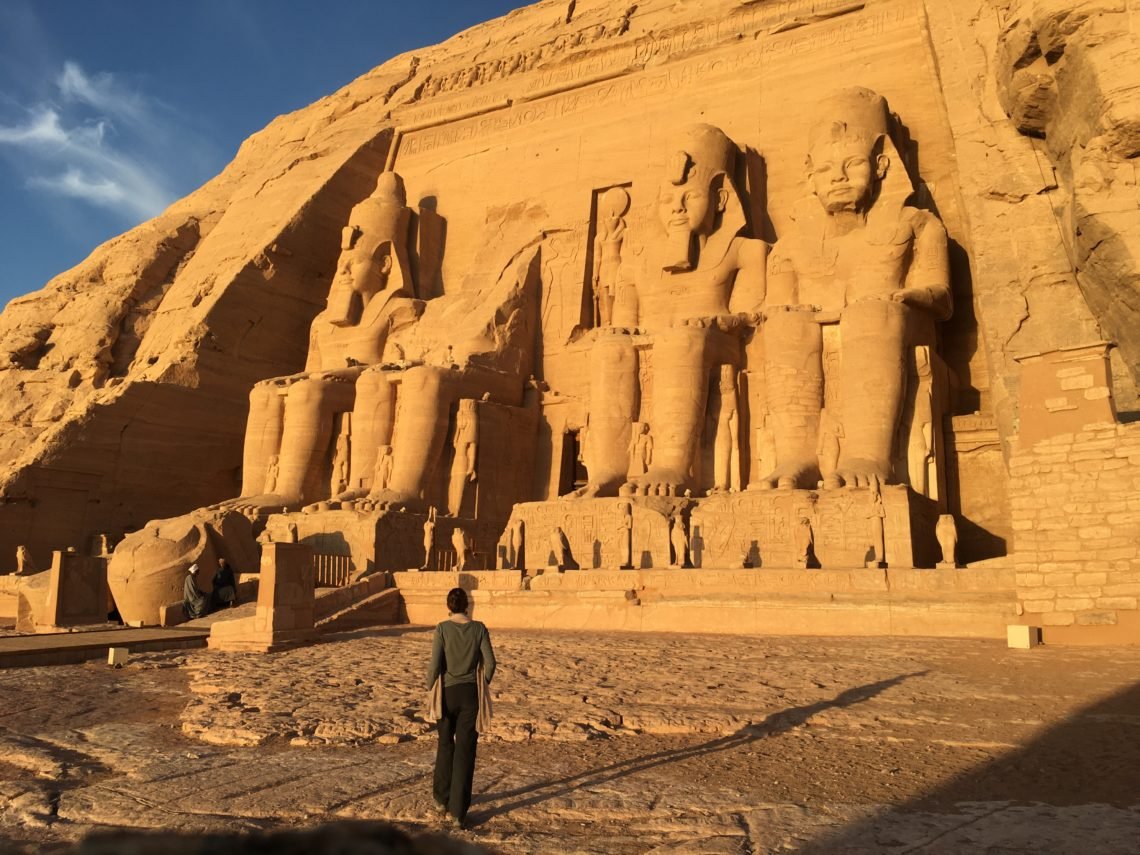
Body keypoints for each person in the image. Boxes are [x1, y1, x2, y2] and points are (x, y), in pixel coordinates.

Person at [426, 587, 496, 828]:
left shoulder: (442, 629)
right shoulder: (479, 628)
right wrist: (482, 683)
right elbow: (491, 662)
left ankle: (441, 800)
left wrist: (429, 688)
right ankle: (458, 812)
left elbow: (435, 665)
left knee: (445, 745)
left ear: (449, 606)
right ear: (467, 605)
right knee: (465, 750)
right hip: (470, 696)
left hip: (446, 693)